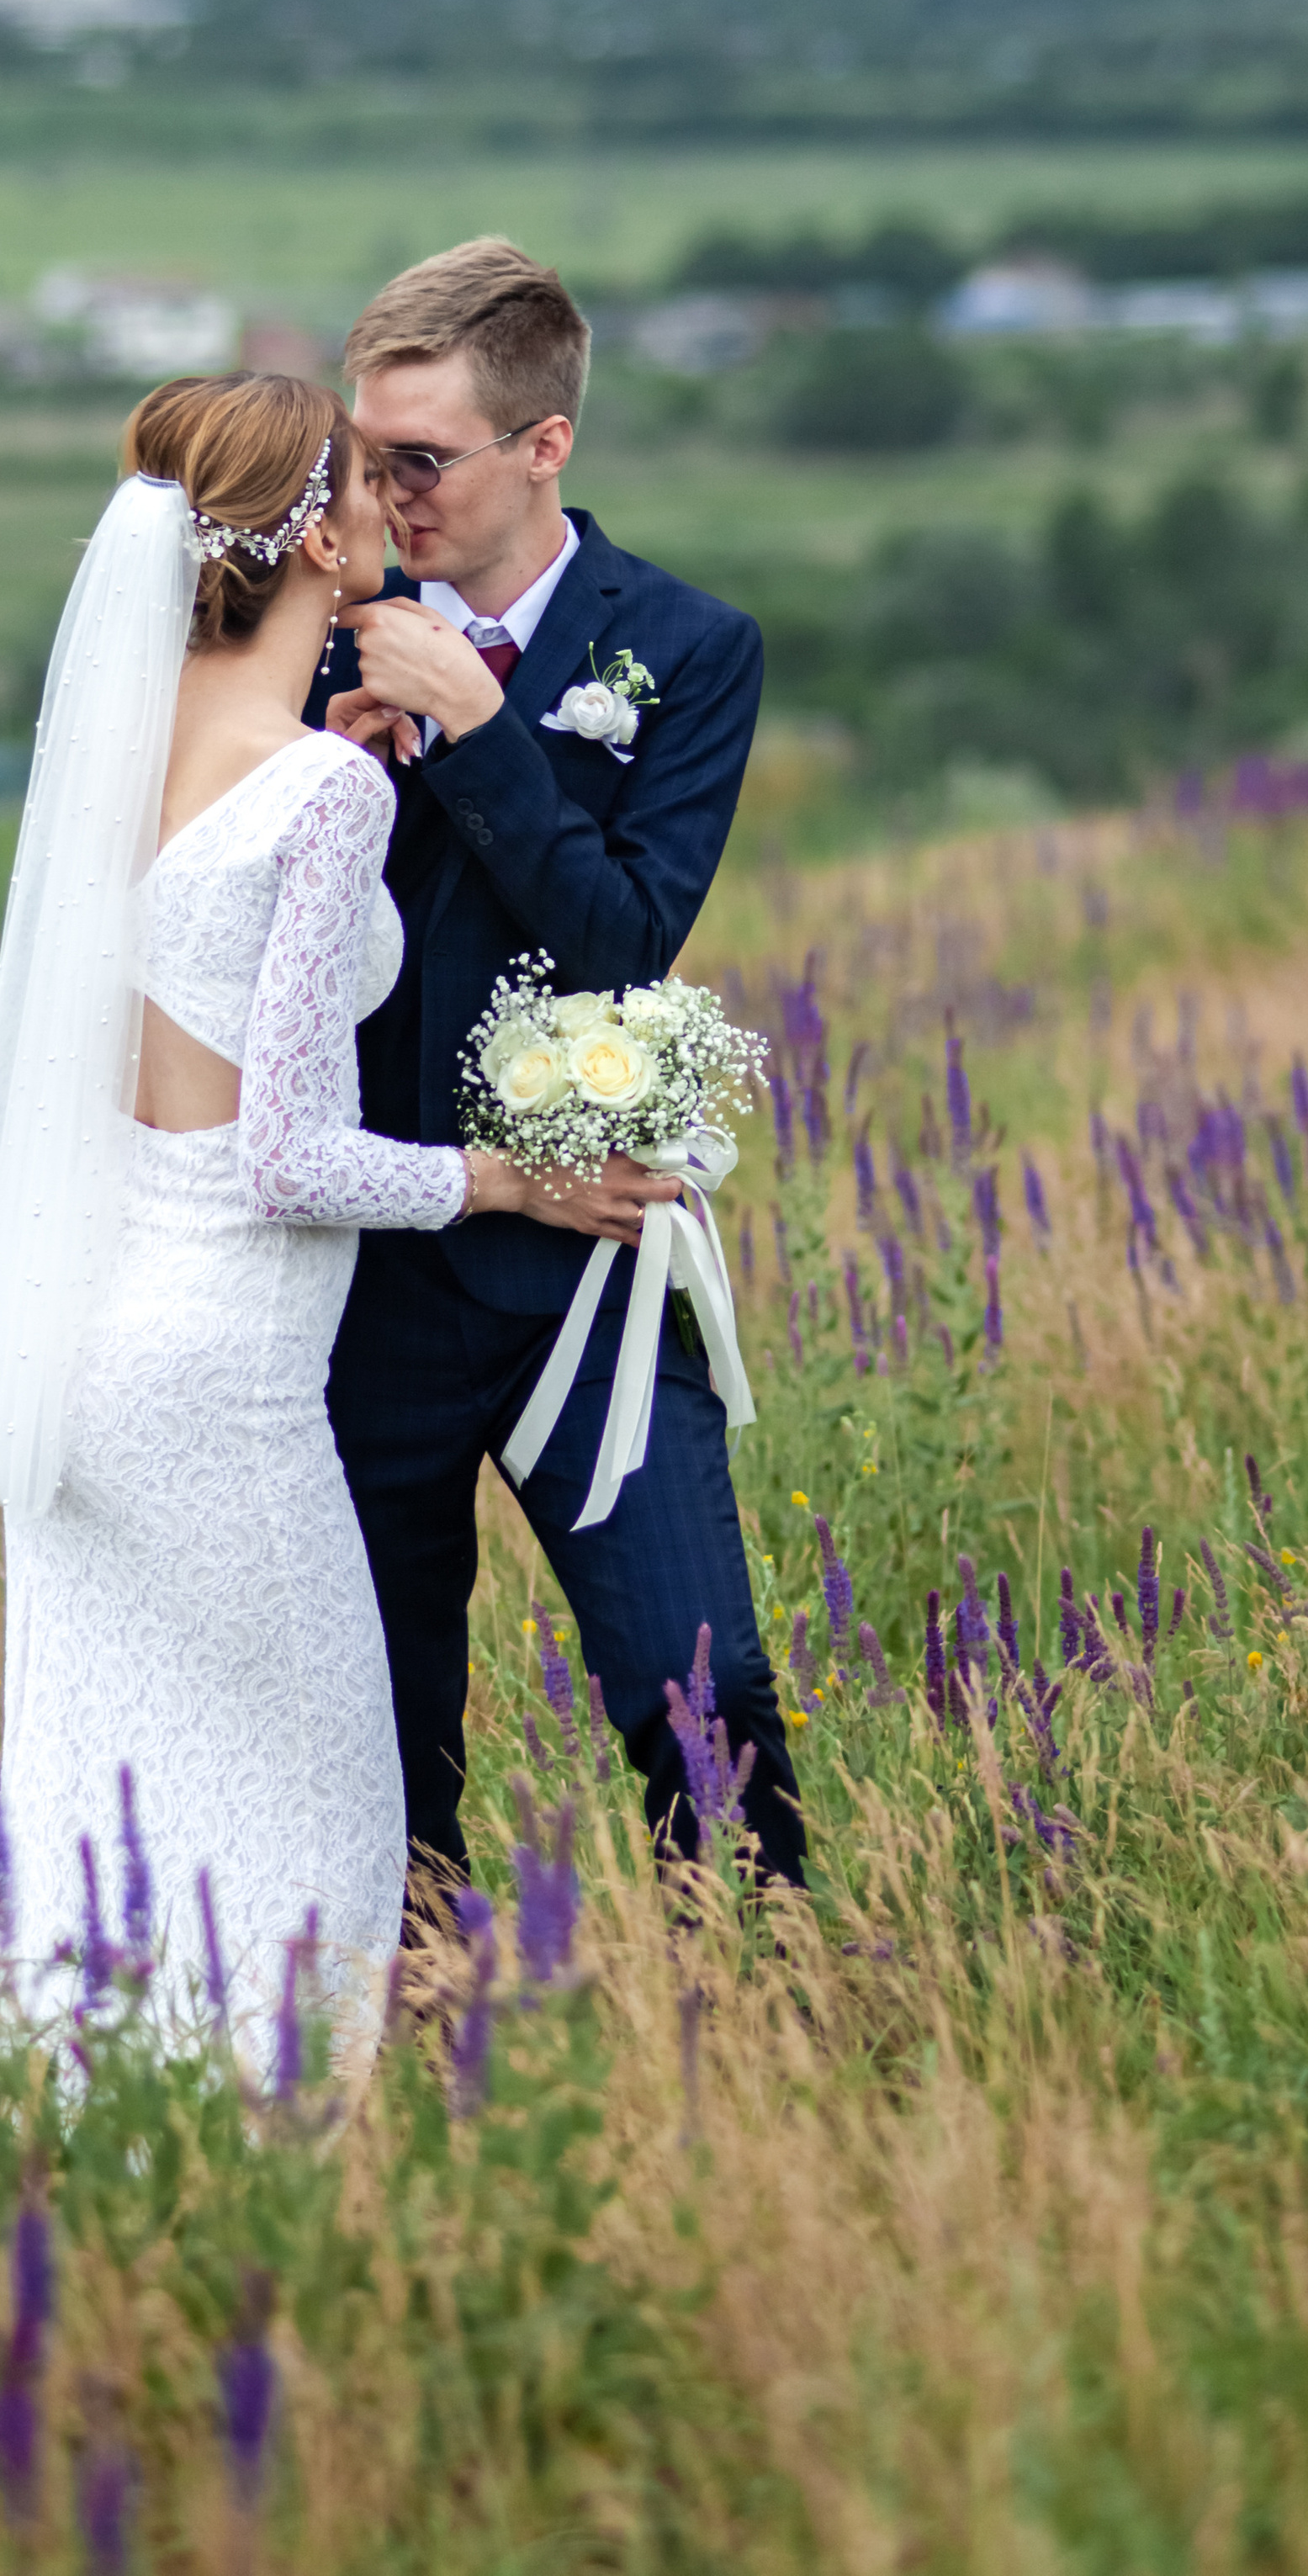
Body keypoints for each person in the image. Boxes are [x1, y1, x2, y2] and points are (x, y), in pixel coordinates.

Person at [0, 371, 675, 2052]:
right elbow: (287, 1162)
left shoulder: (124, 752)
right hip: (220, 1384)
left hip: (90, 1359)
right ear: (314, 538)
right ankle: (291, 2170)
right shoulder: (321, 795)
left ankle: (99, 2166)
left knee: (108, 1818)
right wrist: (508, 1178)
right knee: (327, 1828)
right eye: (359, 485)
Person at [310, 238, 807, 1893]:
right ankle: (408, 2070)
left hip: (581, 1262)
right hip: (353, 1272)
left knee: (701, 1681)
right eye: (368, 457)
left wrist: (478, 723)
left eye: (422, 460)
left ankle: (770, 2030)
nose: (388, 493)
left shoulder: (688, 644)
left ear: (544, 446)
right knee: (384, 1731)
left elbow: (619, 944)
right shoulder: (314, 643)